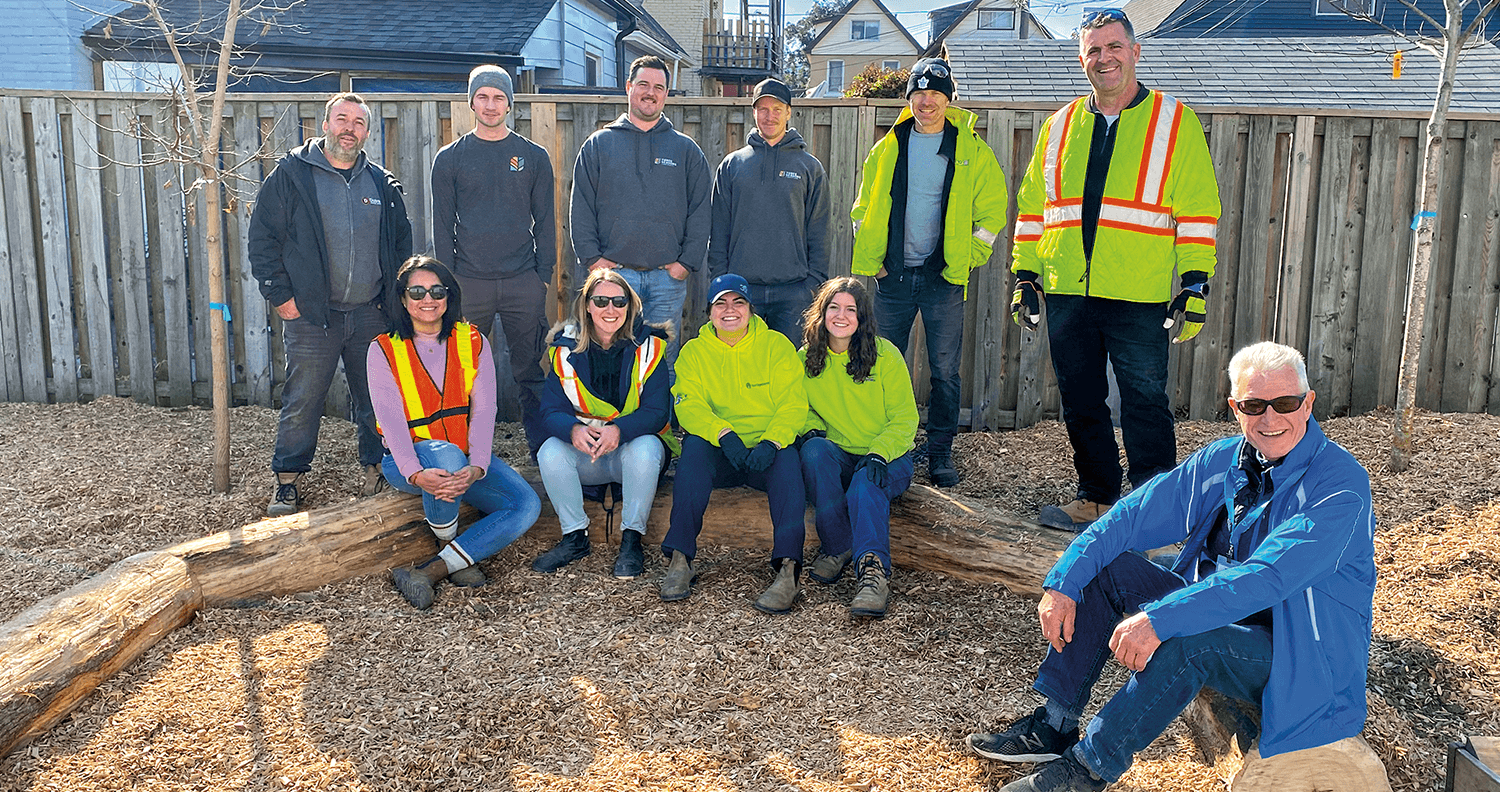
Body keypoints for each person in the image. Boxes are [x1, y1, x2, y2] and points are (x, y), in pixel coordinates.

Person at [967, 342, 1375, 792]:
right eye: (1254, 405)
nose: (1270, 419)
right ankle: (1054, 723)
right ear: (1234, 408)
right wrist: (1064, 580)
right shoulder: (1228, 458)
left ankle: (1086, 771)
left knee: (1190, 641)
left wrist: (1160, 619)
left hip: (1302, 657)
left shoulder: (1340, 486)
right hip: (1232, 613)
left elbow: (1267, 577)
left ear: (1309, 402)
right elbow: (1134, 515)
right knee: (1105, 572)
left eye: (1285, 403)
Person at [1010, 9, 1222, 532]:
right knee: (1081, 399)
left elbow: (1196, 210)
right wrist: (1025, 276)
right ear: (1082, 59)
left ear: (1135, 51)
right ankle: (1097, 496)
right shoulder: (1059, 126)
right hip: (1067, 290)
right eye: (1093, 50)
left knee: (1146, 402)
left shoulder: (1176, 122)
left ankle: (1154, 513)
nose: (1104, 58)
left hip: (1138, 292)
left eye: (1114, 46)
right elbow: (1036, 208)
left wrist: (1194, 284)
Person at [250, 92, 413, 516]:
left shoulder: (382, 184)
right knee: (304, 398)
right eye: (342, 119)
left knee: (376, 398)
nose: (349, 129)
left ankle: (377, 470)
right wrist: (282, 298)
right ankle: (287, 479)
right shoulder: (291, 176)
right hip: (311, 316)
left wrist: (394, 304)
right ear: (324, 125)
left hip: (369, 313)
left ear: (366, 132)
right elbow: (262, 241)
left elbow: (401, 248)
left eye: (358, 123)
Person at [849, 57, 1008, 489]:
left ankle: (939, 452)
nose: (926, 101)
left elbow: (994, 209)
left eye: (935, 93)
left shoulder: (970, 149)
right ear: (910, 100)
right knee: (881, 363)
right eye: (918, 94)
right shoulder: (889, 147)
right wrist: (877, 261)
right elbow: (862, 208)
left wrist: (969, 254)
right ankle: (885, 445)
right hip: (894, 279)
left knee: (944, 371)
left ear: (948, 98)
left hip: (943, 279)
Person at [368, 256, 542, 610]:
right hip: (409, 461)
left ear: (449, 296)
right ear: (402, 299)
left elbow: (485, 409)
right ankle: (454, 547)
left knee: (526, 505)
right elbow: (392, 421)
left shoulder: (473, 339)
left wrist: (478, 465)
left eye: (437, 290)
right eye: (417, 291)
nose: (427, 299)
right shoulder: (382, 349)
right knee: (446, 457)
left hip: (462, 460)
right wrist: (416, 474)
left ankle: (435, 568)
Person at [659, 274, 808, 613]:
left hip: (764, 452)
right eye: (720, 303)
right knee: (694, 452)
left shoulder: (776, 346)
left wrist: (772, 442)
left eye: (738, 302)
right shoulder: (694, 352)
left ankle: (788, 570)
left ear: (750, 309)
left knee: (788, 464)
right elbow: (688, 403)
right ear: (709, 311)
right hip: (721, 451)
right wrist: (724, 435)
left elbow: (794, 404)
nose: (730, 310)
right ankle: (680, 559)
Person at [431, 65, 556, 459]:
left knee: (531, 372)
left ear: (509, 103)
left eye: (498, 97)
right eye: (482, 97)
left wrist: (542, 277)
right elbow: (441, 225)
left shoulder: (532, 156)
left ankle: (545, 448)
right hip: (470, 282)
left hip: (522, 281)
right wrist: (449, 284)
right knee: (462, 372)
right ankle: (461, 451)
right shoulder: (449, 158)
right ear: (471, 102)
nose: (490, 105)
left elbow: (547, 221)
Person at [531, 269, 676, 579]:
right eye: (601, 301)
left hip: (631, 455)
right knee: (549, 451)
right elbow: (551, 410)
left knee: (648, 446)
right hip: (589, 452)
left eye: (619, 301)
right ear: (587, 306)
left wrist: (619, 431)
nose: (610, 310)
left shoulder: (650, 347)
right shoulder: (564, 349)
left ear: (630, 306)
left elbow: (657, 411)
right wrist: (573, 431)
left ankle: (632, 539)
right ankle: (575, 537)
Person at [570, 54, 711, 363]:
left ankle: (660, 414)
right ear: (629, 87)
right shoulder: (599, 145)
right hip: (615, 280)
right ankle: (610, 413)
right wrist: (594, 261)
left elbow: (701, 211)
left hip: (667, 281)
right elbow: (580, 207)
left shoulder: (685, 150)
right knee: (609, 357)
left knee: (662, 361)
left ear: (666, 94)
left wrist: (684, 264)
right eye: (644, 84)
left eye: (659, 87)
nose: (651, 92)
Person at [797, 278, 918, 618]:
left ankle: (873, 574)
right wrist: (811, 429)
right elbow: (796, 406)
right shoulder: (806, 357)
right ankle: (837, 547)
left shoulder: (886, 356)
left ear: (862, 318)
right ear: (821, 313)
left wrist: (879, 452)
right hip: (837, 451)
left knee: (866, 484)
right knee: (813, 452)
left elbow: (905, 418)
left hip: (886, 456)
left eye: (851, 309)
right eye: (833, 307)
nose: (841, 315)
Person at [708, 77, 830, 341]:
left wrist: (812, 286)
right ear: (754, 113)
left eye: (777, 109)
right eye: (763, 109)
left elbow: (819, 230)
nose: (770, 116)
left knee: (790, 371)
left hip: (794, 294)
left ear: (789, 112)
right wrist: (722, 283)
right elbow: (718, 229)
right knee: (742, 370)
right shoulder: (733, 165)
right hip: (741, 293)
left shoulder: (809, 167)